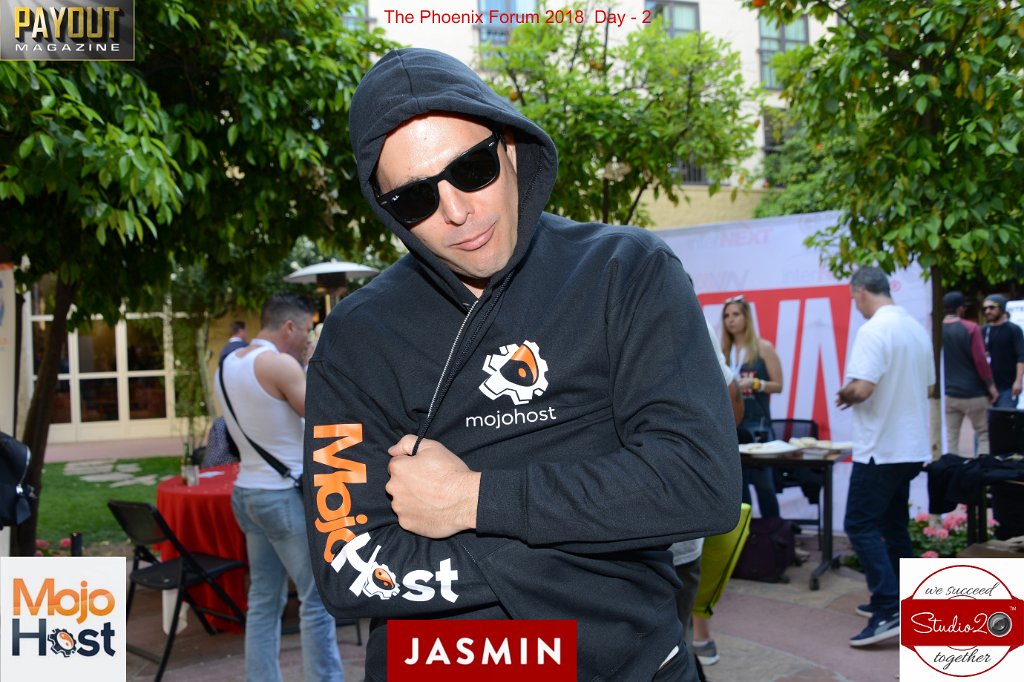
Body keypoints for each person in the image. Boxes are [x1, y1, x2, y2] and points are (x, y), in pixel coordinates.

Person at [303, 48, 741, 681]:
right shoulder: (358, 335)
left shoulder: (626, 271)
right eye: (415, 198)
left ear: (508, 146)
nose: (456, 211)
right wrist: (599, 553)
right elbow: (350, 571)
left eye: (472, 168)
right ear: (387, 210)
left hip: (637, 666)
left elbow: (700, 485)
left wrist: (470, 500)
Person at [216, 294, 344, 682]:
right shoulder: (279, 364)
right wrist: (317, 362)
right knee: (317, 598)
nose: (307, 337)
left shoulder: (229, 363)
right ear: (289, 326)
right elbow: (323, 413)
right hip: (282, 496)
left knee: (263, 600)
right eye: (306, 329)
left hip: (248, 492)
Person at [836, 266, 934, 647]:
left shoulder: (874, 329)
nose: (855, 305)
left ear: (860, 292)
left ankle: (889, 605)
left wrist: (845, 393)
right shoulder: (915, 329)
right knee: (893, 527)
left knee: (859, 525)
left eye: (853, 298)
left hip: (881, 448)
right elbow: (928, 386)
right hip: (910, 447)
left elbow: (862, 388)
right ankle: (903, 601)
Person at [672, 321, 744, 675]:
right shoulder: (682, 315)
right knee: (673, 650)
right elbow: (733, 404)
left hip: (586, 535)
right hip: (676, 527)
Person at [721, 294, 784, 518]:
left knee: (764, 486)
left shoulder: (763, 348)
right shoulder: (723, 352)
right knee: (739, 489)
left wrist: (756, 383)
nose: (730, 320)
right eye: (726, 315)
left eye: (736, 314)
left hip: (758, 426)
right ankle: (746, 536)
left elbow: (778, 385)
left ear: (746, 317)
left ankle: (773, 532)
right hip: (732, 426)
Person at [941, 291, 997, 456]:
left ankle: (952, 470)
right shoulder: (971, 328)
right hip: (974, 393)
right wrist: (991, 387)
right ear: (960, 309)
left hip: (949, 393)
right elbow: (980, 361)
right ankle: (983, 470)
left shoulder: (935, 330)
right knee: (984, 435)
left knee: (951, 436)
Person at [982, 293, 1024, 409]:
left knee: (1004, 417)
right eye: (985, 308)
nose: (987, 311)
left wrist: (1018, 381)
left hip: (1008, 387)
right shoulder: (983, 330)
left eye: (992, 307)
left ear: (1002, 308)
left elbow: (1021, 356)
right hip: (987, 387)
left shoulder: (1013, 330)